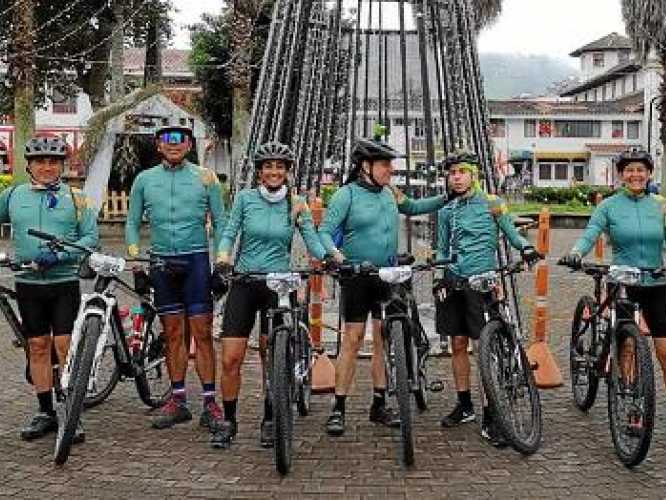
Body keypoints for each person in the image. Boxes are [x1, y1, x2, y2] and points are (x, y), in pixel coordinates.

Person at [561, 149, 666, 447]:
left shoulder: (662, 205)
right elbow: (590, 234)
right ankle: (634, 408)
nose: (635, 175)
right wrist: (575, 253)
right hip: (622, 282)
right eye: (629, 170)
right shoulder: (609, 206)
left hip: (655, 281)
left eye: (641, 170)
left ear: (649, 173)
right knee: (627, 348)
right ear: (621, 174)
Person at [318, 137, 447, 436]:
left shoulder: (390, 192)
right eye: (385, 164)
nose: (391, 169)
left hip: (387, 275)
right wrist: (338, 258)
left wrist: (447, 197)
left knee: (381, 340)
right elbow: (324, 231)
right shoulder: (346, 195)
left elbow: (413, 207)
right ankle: (338, 407)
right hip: (357, 276)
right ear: (366, 166)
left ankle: (379, 404)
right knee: (351, 340)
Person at [209, 142, 327, 449]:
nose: (274, 172)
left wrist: (332, 260)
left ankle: (271, 417)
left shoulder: (296, 203)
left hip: (279, 287)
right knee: (231, 357)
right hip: (246, 282)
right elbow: (229, 233)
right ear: (259, 171)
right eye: (268, 167)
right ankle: (229, 420)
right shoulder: (245, 200)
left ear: (287, 171)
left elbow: (313, 242)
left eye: (280, 167)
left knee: (271, 356)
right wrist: (222, 260)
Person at [125, 119, 227, 430]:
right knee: (171, 334)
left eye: (180, 138)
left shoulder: (206, 177)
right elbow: (131, 224)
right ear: (158, 144)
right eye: (167, 138)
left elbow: (221, 223)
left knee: (202, 333)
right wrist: (135, 259)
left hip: (195, 260)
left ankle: (211, 403)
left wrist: (222, 261)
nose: (173, 143)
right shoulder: (144, 179)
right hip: (160, 262)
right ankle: (178, 401)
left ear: (190, 145)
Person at [434, 152, 540, 446]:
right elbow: (442, 249)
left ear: (474, 175)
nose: (455, 177)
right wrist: (440, 277)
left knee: (484, 346)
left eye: (461, 172)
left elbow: (511, 233)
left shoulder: (493, 204)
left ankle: (491, 412)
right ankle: (464, 403)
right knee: (457, 343)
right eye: (451, 172)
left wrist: (526, 248)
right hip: (455, 281)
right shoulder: (446, 211)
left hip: (483, 281)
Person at [0, 135, 98, 441]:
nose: (47, 167)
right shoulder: (13, 195)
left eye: (53, 161)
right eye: (40, 161)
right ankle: (45, 412)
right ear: (29, 165)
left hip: (63, 282)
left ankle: (70, 412)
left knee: (64, 345)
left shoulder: (77, 198)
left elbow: (90, 238)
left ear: (61, 165)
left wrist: (60, 255)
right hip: (28, 283)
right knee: (38, 347)